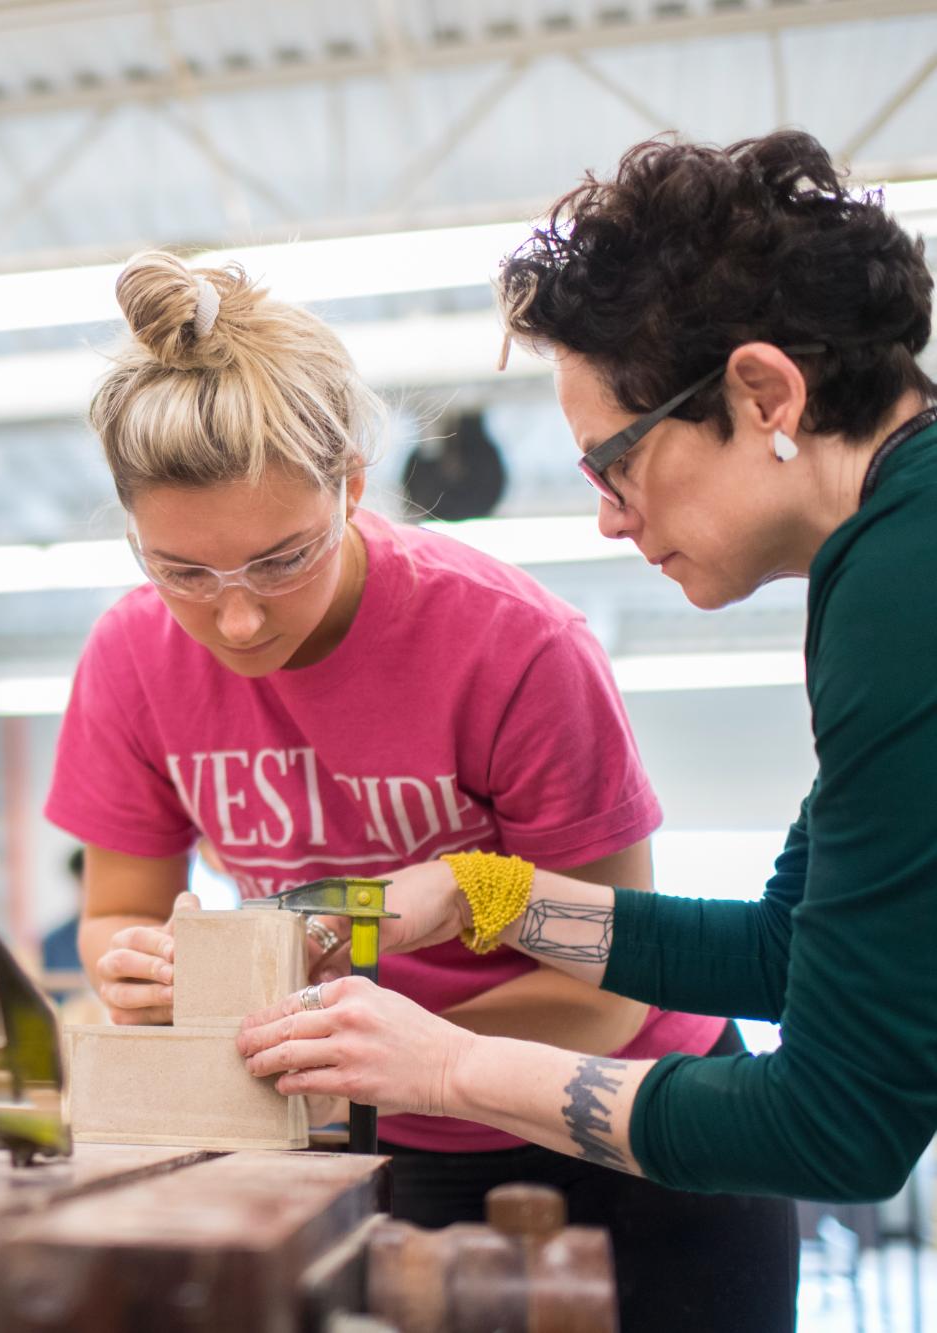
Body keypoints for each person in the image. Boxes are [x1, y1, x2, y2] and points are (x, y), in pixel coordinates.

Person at [46, 248, 796, 1329]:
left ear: (351, 484)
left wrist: (408, 1047)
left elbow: (607, 986)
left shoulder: (512, 646)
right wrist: (139, 968)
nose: (239, 618)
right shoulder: (129, 660)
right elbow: (115, 912)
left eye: (280, 559)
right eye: (185, 574)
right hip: (364, 1133)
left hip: (620, 1121)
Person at [239, 128, 937, 1242]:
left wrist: (452, 1064)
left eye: (616, 461)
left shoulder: (909, 586)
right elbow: (782, 951)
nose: (608, 515)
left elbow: (836, 1125)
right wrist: (482, 894)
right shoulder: (886, 556)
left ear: (763, 393)